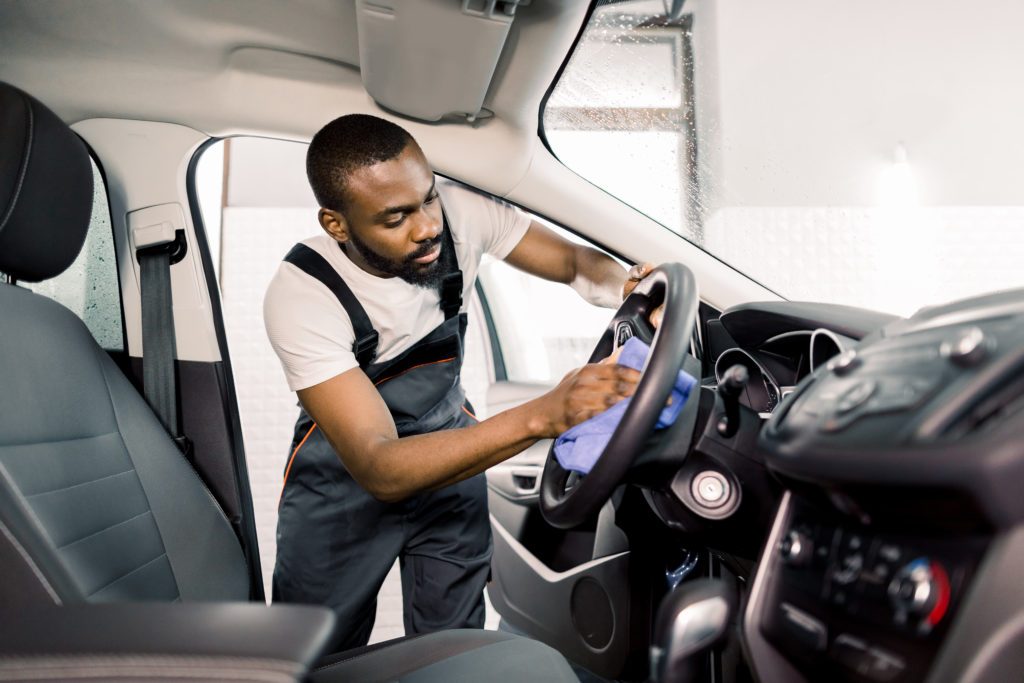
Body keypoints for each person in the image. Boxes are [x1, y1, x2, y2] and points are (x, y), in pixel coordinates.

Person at [264, 113, 657, 650]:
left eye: (426, 200)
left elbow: (572, 262)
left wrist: (630, 290)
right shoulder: (304, 295)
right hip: (342, 491)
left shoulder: (458, 215)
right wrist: (545, 414)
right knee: (316, 657)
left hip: (452, 467)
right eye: (395, 217)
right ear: (337, 224)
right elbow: (379, 465)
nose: (427, 226)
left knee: (454, 649)